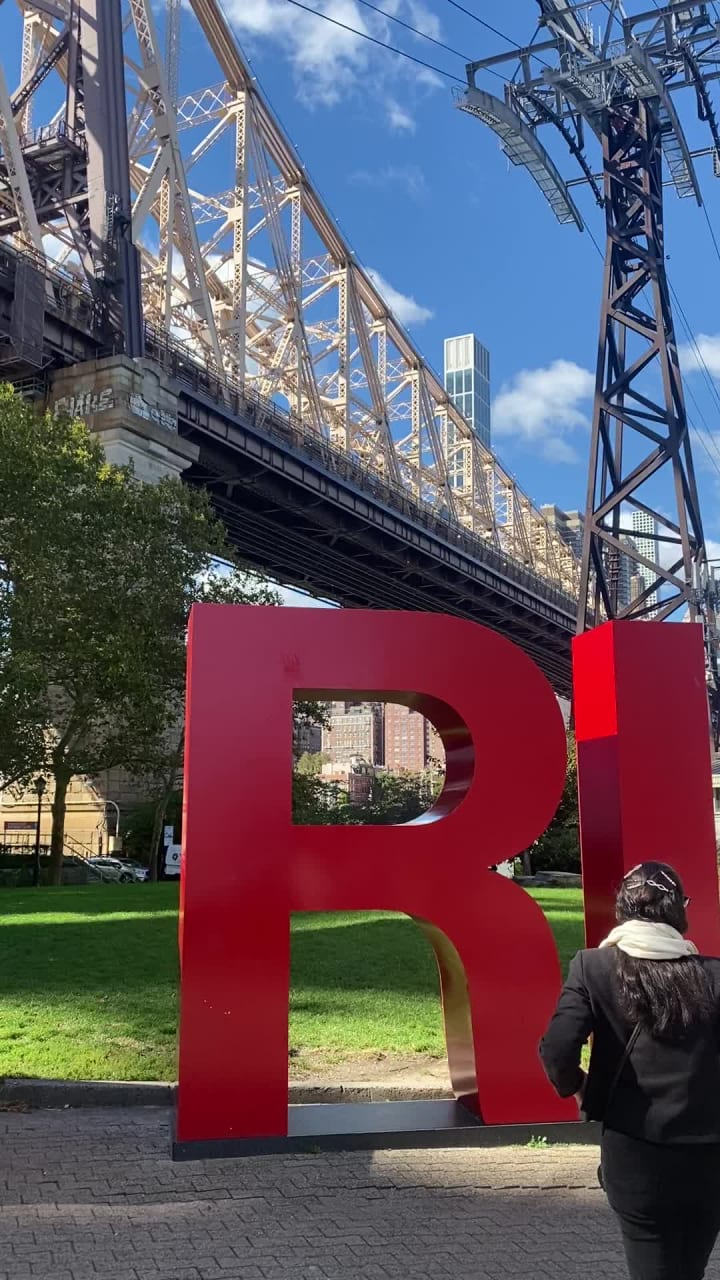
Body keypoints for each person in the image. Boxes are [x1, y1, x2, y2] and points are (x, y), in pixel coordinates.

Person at [540, 861, 720, 1280]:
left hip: (636, 1151)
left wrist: (581, 1089)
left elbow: (557, 1050)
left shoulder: (593, 968)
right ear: (680, 912)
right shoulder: (714, 974)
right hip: (710, 1155)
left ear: (621, 909)